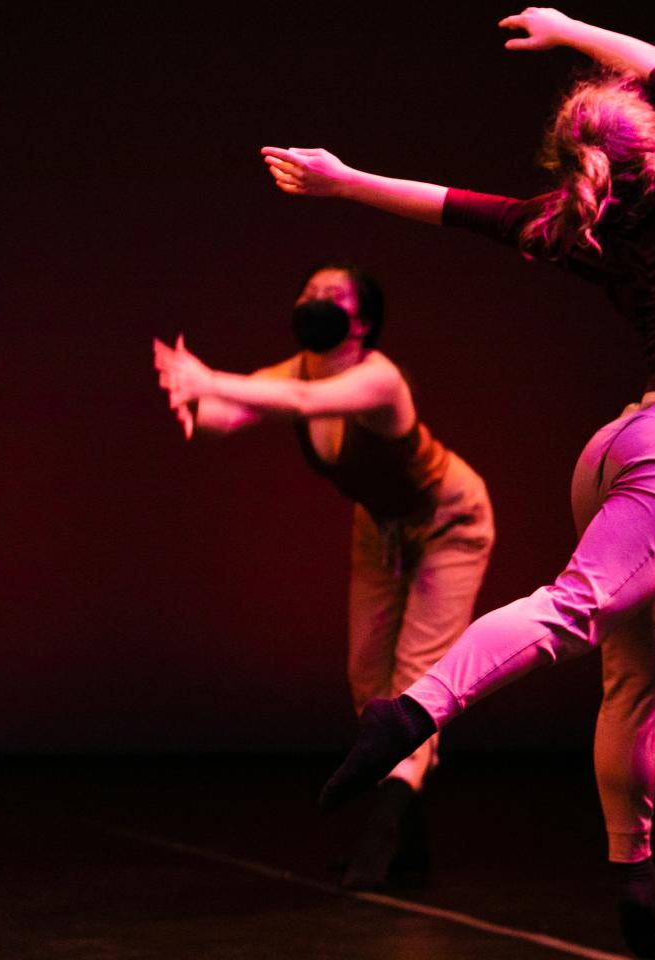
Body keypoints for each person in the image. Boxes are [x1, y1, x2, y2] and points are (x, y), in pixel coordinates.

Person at [260, 9, 655, 956]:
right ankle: (414, 711)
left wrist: (345, 182)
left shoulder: (593, 229)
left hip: (618, 446)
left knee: (637, 681)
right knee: (573, 610)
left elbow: (457, 206)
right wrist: (568, 27)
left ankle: (636, 893)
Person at [152, 263, 495, 890]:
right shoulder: (299, 371)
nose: (310, 301)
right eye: (305, 291)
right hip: (379, 528)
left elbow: (302, 404)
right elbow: (241, 409)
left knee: (417, 679)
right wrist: (193, 404)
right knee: (368, 680)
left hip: (449, 521)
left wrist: (206, 376)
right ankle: (412, 839)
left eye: (327, 295)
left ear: (360, 320)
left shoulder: (380, 378)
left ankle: (384, 833)